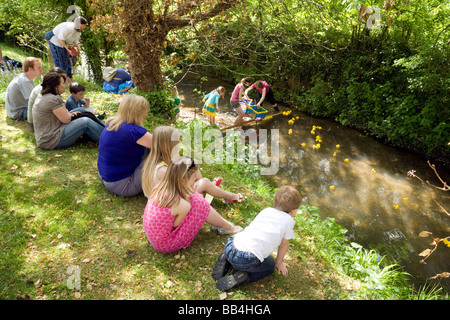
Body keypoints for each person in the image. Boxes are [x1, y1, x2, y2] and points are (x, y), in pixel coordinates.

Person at [143, 156, 242, 253]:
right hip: (165, 244)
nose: (195, 180)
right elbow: (176, 225)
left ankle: (222, 224)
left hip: (153, 235)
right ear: (183, 180)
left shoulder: (160, 187)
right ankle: (228, 227)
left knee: (194, 198)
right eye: (194, 178)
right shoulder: (182, 205)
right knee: (199, 203)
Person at [213, 185, 302, 291]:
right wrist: (279, 263)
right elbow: (284, 244)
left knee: (244, 252)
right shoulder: (289, 220)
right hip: (246, 258)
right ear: (294, 211)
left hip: (231, 244)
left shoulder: (267, 210)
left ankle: (226, 259)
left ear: (275, 202)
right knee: (270, 265)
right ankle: (243, 277)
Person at [141, 126, 244, 205]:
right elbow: (182, 189)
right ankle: (229, 196)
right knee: (204, 182)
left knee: (191, 162)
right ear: (169, 146)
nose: (180, 142)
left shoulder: (154, 161)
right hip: (169, 203)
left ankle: (208, 187)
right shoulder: (163, 171)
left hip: (168, 195)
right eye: (177, 141)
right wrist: (192, 177)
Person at [97, 94, 153, 197]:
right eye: (144, 112)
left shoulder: (112, 123)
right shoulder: (134, 132)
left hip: (105, 177)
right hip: (123, 185)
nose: (146, 115)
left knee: (148, 149)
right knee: (157, 154)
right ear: (137, 113)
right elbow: (163, 144)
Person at [32, 72, 104, 149]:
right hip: (51, 139)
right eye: (63, 83)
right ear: (56, 86)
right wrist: (69, 115)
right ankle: (108, 138)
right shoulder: (53, 99)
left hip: (50, 132)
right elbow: (66, 119)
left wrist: (69, 114)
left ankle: (105, 128)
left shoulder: (45, 95)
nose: (65, 85)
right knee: (85, 122)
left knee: (80, 110)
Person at [47, 16, 87, 84]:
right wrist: (68, 50)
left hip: (62, 42)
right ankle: (61, 81)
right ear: (80, 24)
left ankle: (70, 80)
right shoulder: (68, 27)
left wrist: (77, 46)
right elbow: (60, 39)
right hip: (54, 39)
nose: (85, 27)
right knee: (60, 61)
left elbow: (73, 39)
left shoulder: (78, 31)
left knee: (67, 62)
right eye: (84, 25)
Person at [27, 67, 66, 132]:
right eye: (63, 81)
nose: (65, 83)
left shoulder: (48, 88)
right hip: (36, 124)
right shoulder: (43, 90)